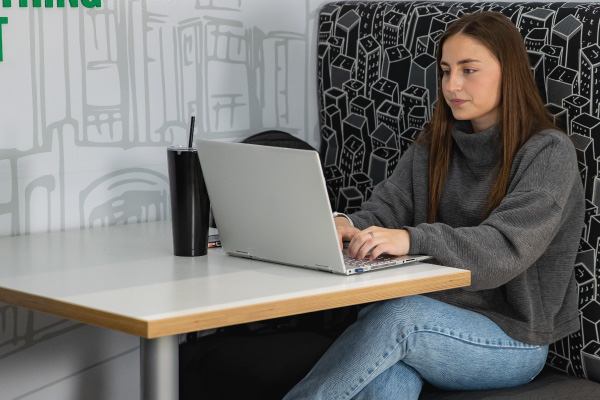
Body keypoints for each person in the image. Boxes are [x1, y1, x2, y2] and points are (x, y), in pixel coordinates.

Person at [283, 11, 584, 400]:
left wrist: (411, 239)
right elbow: (384, 212)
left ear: (509, 72)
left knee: (398, 316)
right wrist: (344, 224)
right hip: (429, 322)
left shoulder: (548, 152)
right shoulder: (434, 145)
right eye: (445, 71)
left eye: (468, 70)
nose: (452, 85)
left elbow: (501, 252)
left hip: (511, 338)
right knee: (387, 379)